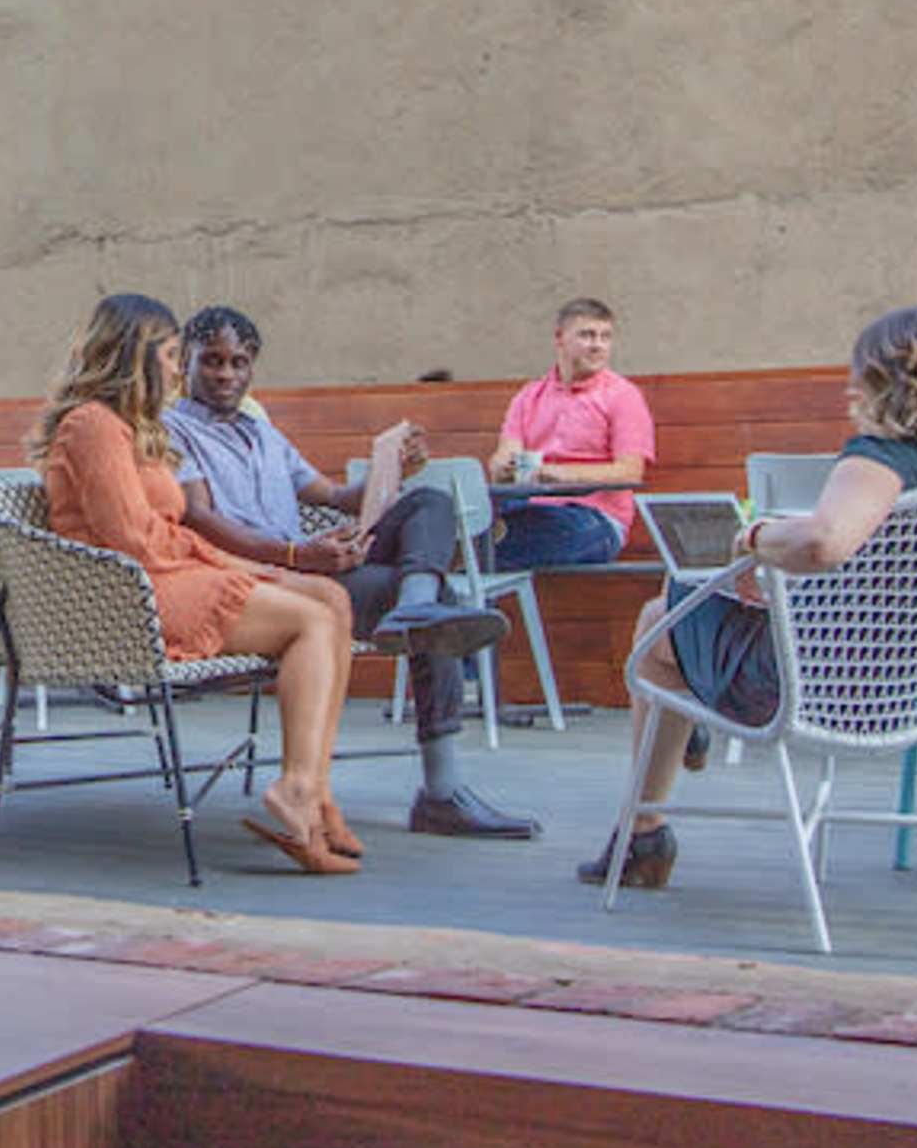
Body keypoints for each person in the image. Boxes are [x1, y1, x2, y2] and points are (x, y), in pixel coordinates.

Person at [579, 302, 917, 890]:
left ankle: (643, 830)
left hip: (823, 687)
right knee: (683, 617)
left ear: (877, 380)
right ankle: (671, 766)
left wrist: (755, 538)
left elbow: (822, 542)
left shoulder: (880, 460)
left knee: (662, 618)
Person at [163, 305, 535, 838]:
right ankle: (442, 791)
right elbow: (199, 519)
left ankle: (414, 603)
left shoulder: (261, 431)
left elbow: (334, 496)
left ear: (253, 368)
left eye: (238, 363)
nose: (225, 374)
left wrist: (392, 472)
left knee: (429, 501)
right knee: (447, 608)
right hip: (274, 579)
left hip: (314, 562)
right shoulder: (172, 432)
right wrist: (297, 555)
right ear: (187, 364)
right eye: (212, 361)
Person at [32, 292, 365, 875]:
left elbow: (165, 531)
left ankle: (315, 790)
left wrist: (249, 565)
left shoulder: (133, 428)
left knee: (331, 597)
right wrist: (231, 566)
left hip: (165, 574)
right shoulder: (92, 426)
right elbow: (135, 540)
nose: (174, 366)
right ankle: (297, 790)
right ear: (133, 356)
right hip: (128, 596)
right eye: (167, 353)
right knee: (311, 620)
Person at [487, 297, 655, 571]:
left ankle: (457, 564)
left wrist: (558, 472)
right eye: (587, 335)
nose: (597, 345)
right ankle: (460, 564)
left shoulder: (622, 395)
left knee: (500, 540)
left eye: (605, 337)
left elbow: (629, 472)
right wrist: (504, 466)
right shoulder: (530, 396)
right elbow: (502, 458)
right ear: (560, 338)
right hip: (529, 508)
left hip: (596, 519)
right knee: (470, 521)